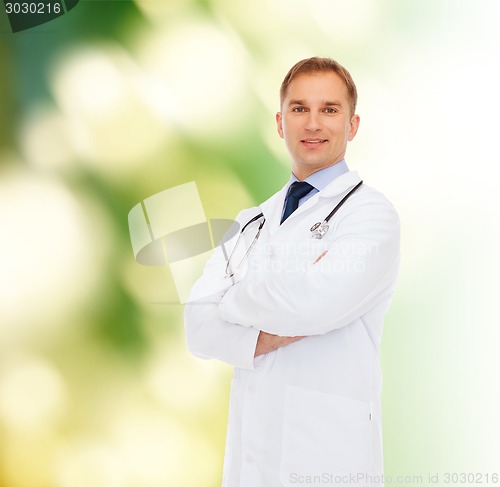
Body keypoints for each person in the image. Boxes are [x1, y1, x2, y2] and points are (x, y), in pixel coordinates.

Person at [184, 57, 400, 487]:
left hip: (327, 457)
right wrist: (269, 325)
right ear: (280, 124)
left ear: (352, 125)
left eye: (330, 109)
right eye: (299, 109)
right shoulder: (251, 221)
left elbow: (315, 303)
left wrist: (235, 300)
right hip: (251, 463)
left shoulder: (371, 215)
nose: (313, 123)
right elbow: (198, 325)